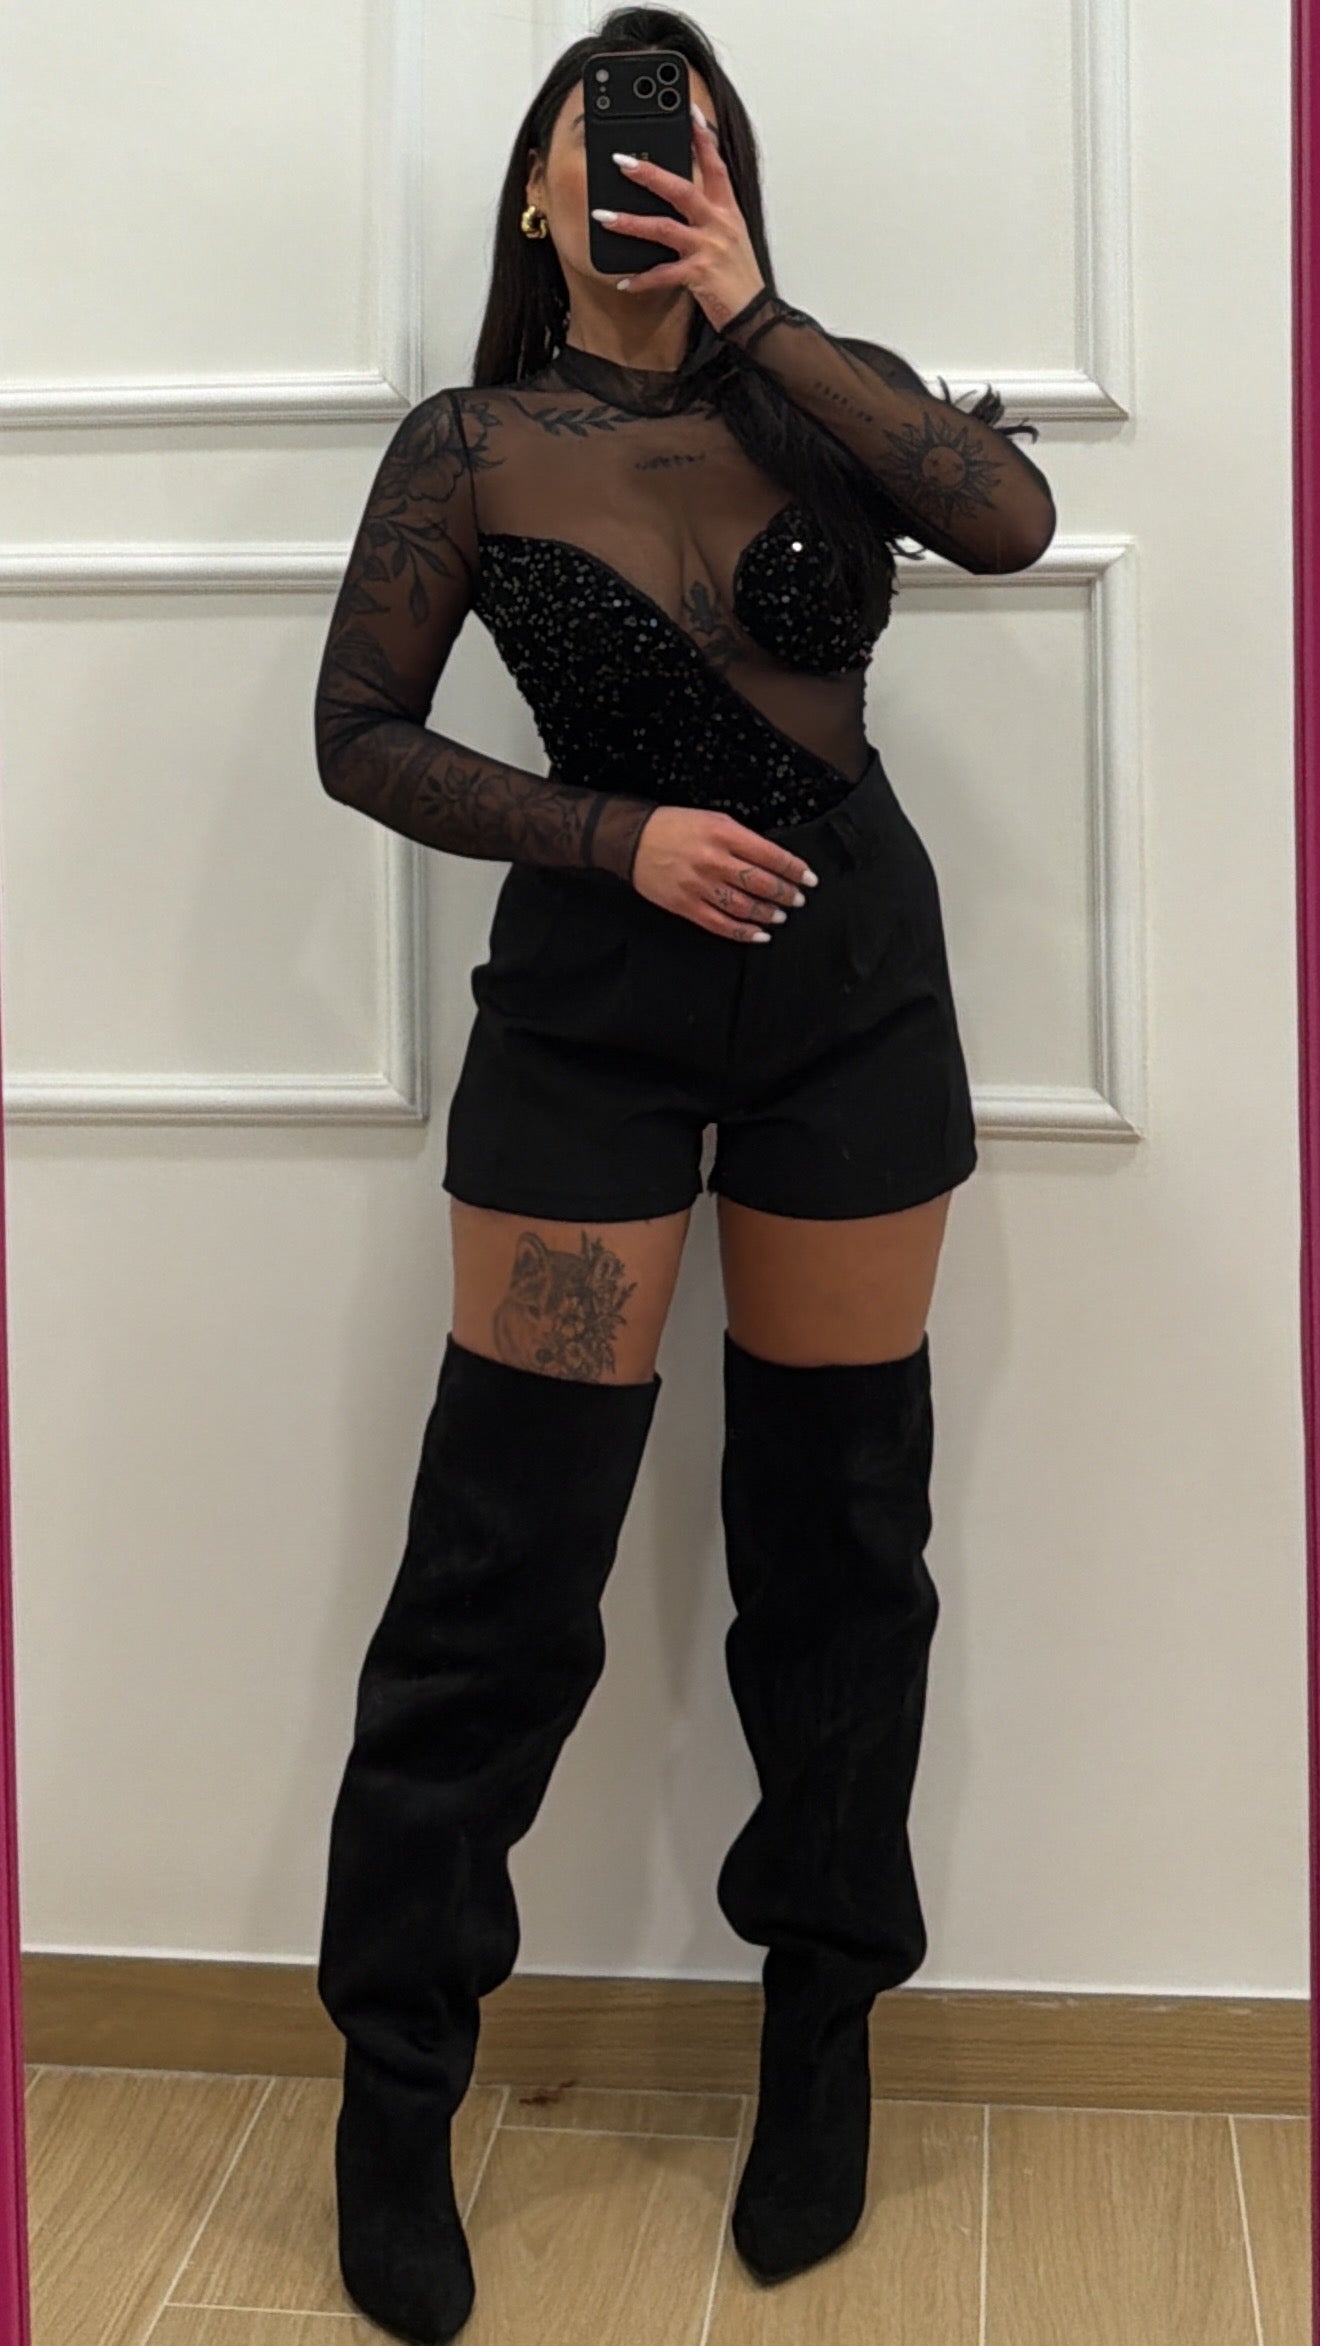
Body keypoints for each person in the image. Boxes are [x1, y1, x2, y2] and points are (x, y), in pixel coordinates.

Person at [312, 8, 1056, 2340]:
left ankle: (821, 2035)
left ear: (730, 183)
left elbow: (1009, 520)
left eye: (695, 140)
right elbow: (359, 735)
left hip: (856, 1014)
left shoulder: (824, 394)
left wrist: (757, 312)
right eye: (607, 138)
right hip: (592, 1029)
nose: (648, 168)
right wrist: (609, 833)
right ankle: (396, 2086)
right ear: (540, 195)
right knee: (502, 1567)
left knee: (840, 1552)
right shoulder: (472, 444)